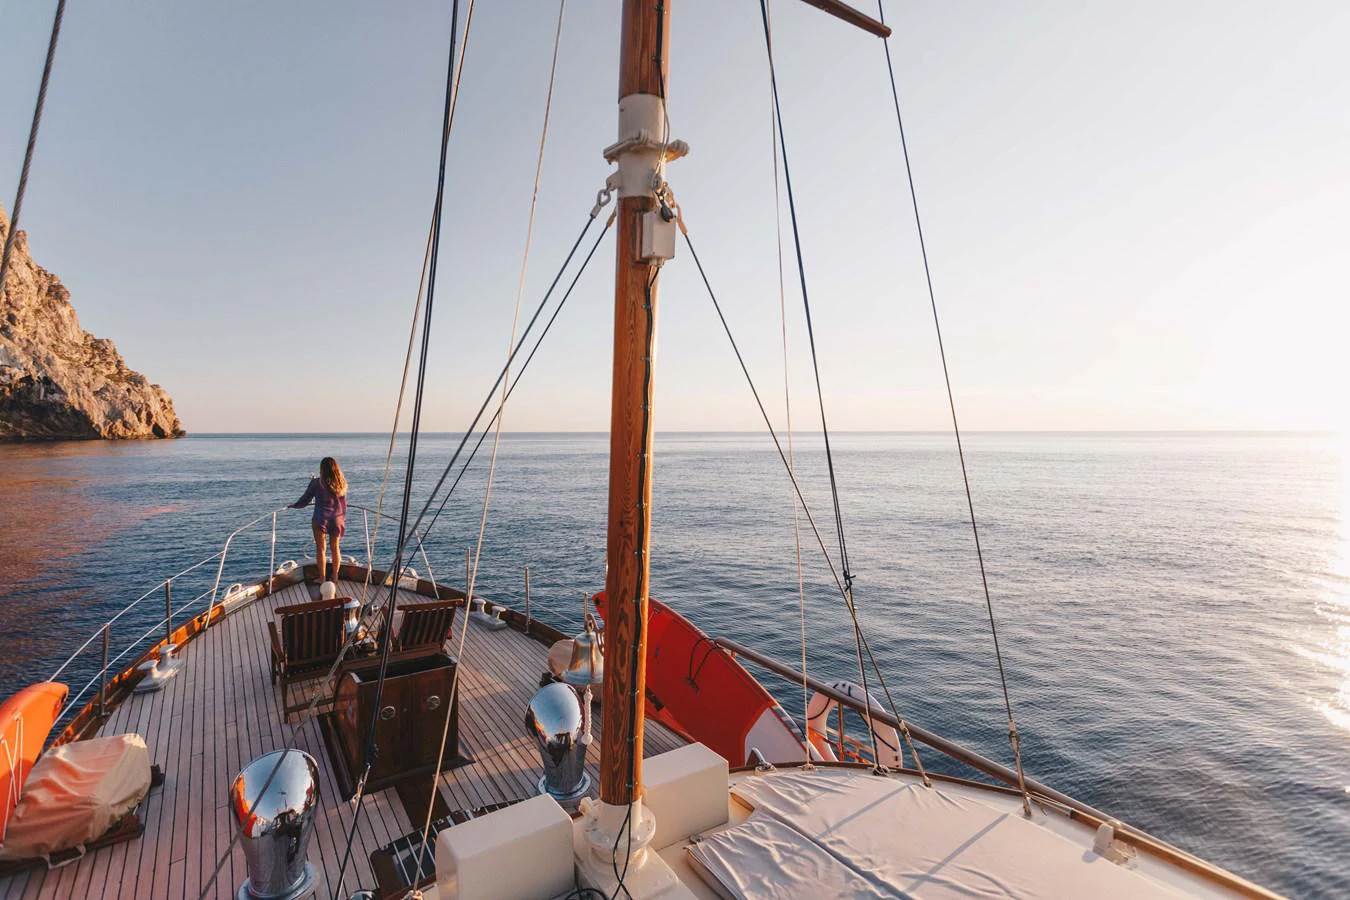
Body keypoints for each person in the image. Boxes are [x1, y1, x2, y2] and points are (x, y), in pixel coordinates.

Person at [290, 457, 348, 584]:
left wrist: (294, 505)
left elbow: (305, 500)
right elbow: (343, 503)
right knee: (335, 548)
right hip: (337, 518)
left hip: (321, 518)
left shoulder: (317, 483)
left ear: (322, 469)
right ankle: (335, 578)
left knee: (321, 549)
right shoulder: (342, 483)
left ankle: (322, 580)